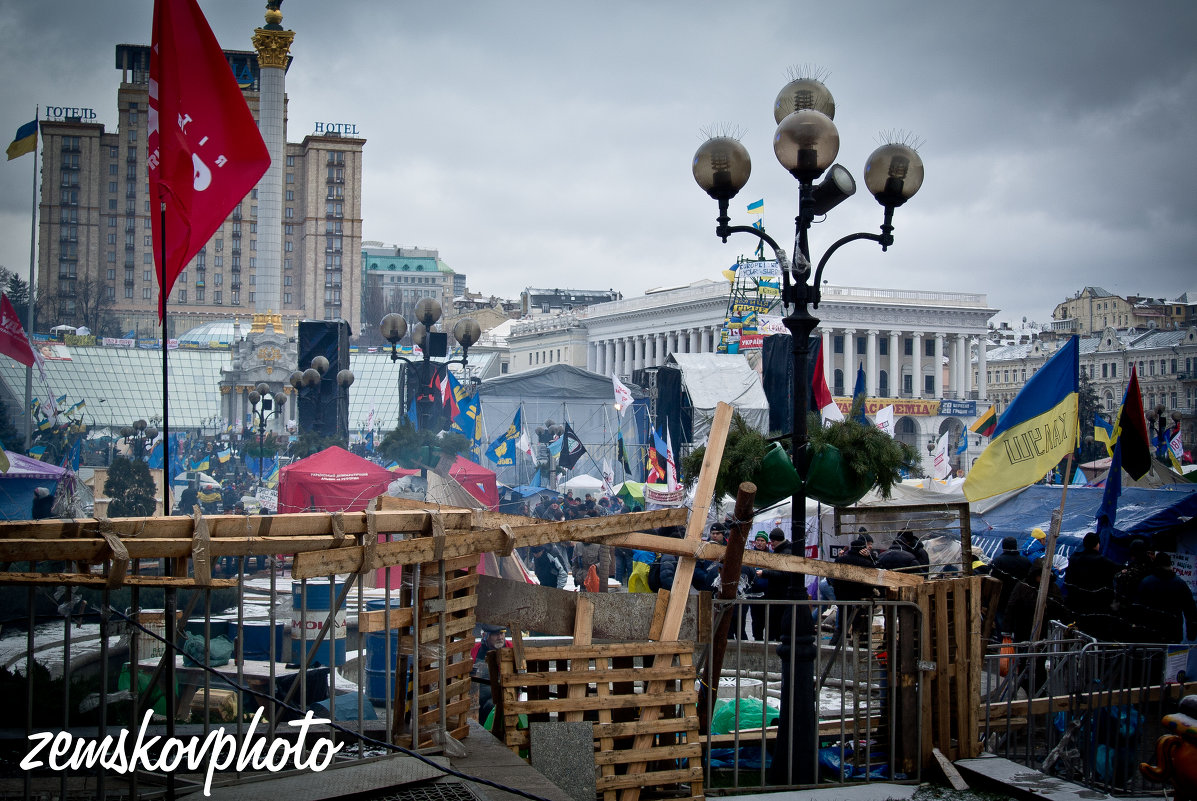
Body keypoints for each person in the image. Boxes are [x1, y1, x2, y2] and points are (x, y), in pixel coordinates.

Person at [1063, 532, 1119, 638]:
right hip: (1097, 609)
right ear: (1097, 544)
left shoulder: (1074, 559)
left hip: (1076, 606)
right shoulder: (1102, 561)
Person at [1132, 552, 1197, 644]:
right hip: (1173, 633)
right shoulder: (1180, 584)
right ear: (1169, 565)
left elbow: (1137, 610)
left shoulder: (1146, 582)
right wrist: (1191, 633)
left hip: (1150, 634)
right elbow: (1191, 610)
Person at [830, 538, 877, 644]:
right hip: (860, 600)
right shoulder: (866, 563)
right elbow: (874, 578)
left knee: (841, 626)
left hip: (843, 599)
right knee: (859, 628)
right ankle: (858, 651)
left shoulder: (840, 560)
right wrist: (870, 557)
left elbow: (834, 579)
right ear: (863, 549)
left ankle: (834, 648)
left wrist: (837, 593)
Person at [990, 536, 1031, 634]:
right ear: (1016, 547)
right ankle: (1019, 646)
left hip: (1002, 599)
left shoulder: (997, 562)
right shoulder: (1025, 562)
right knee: (1019, 627)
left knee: (1002, 627)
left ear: (1003, 547)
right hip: (1021, 600)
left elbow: (992, 579)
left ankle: (1004, 647)